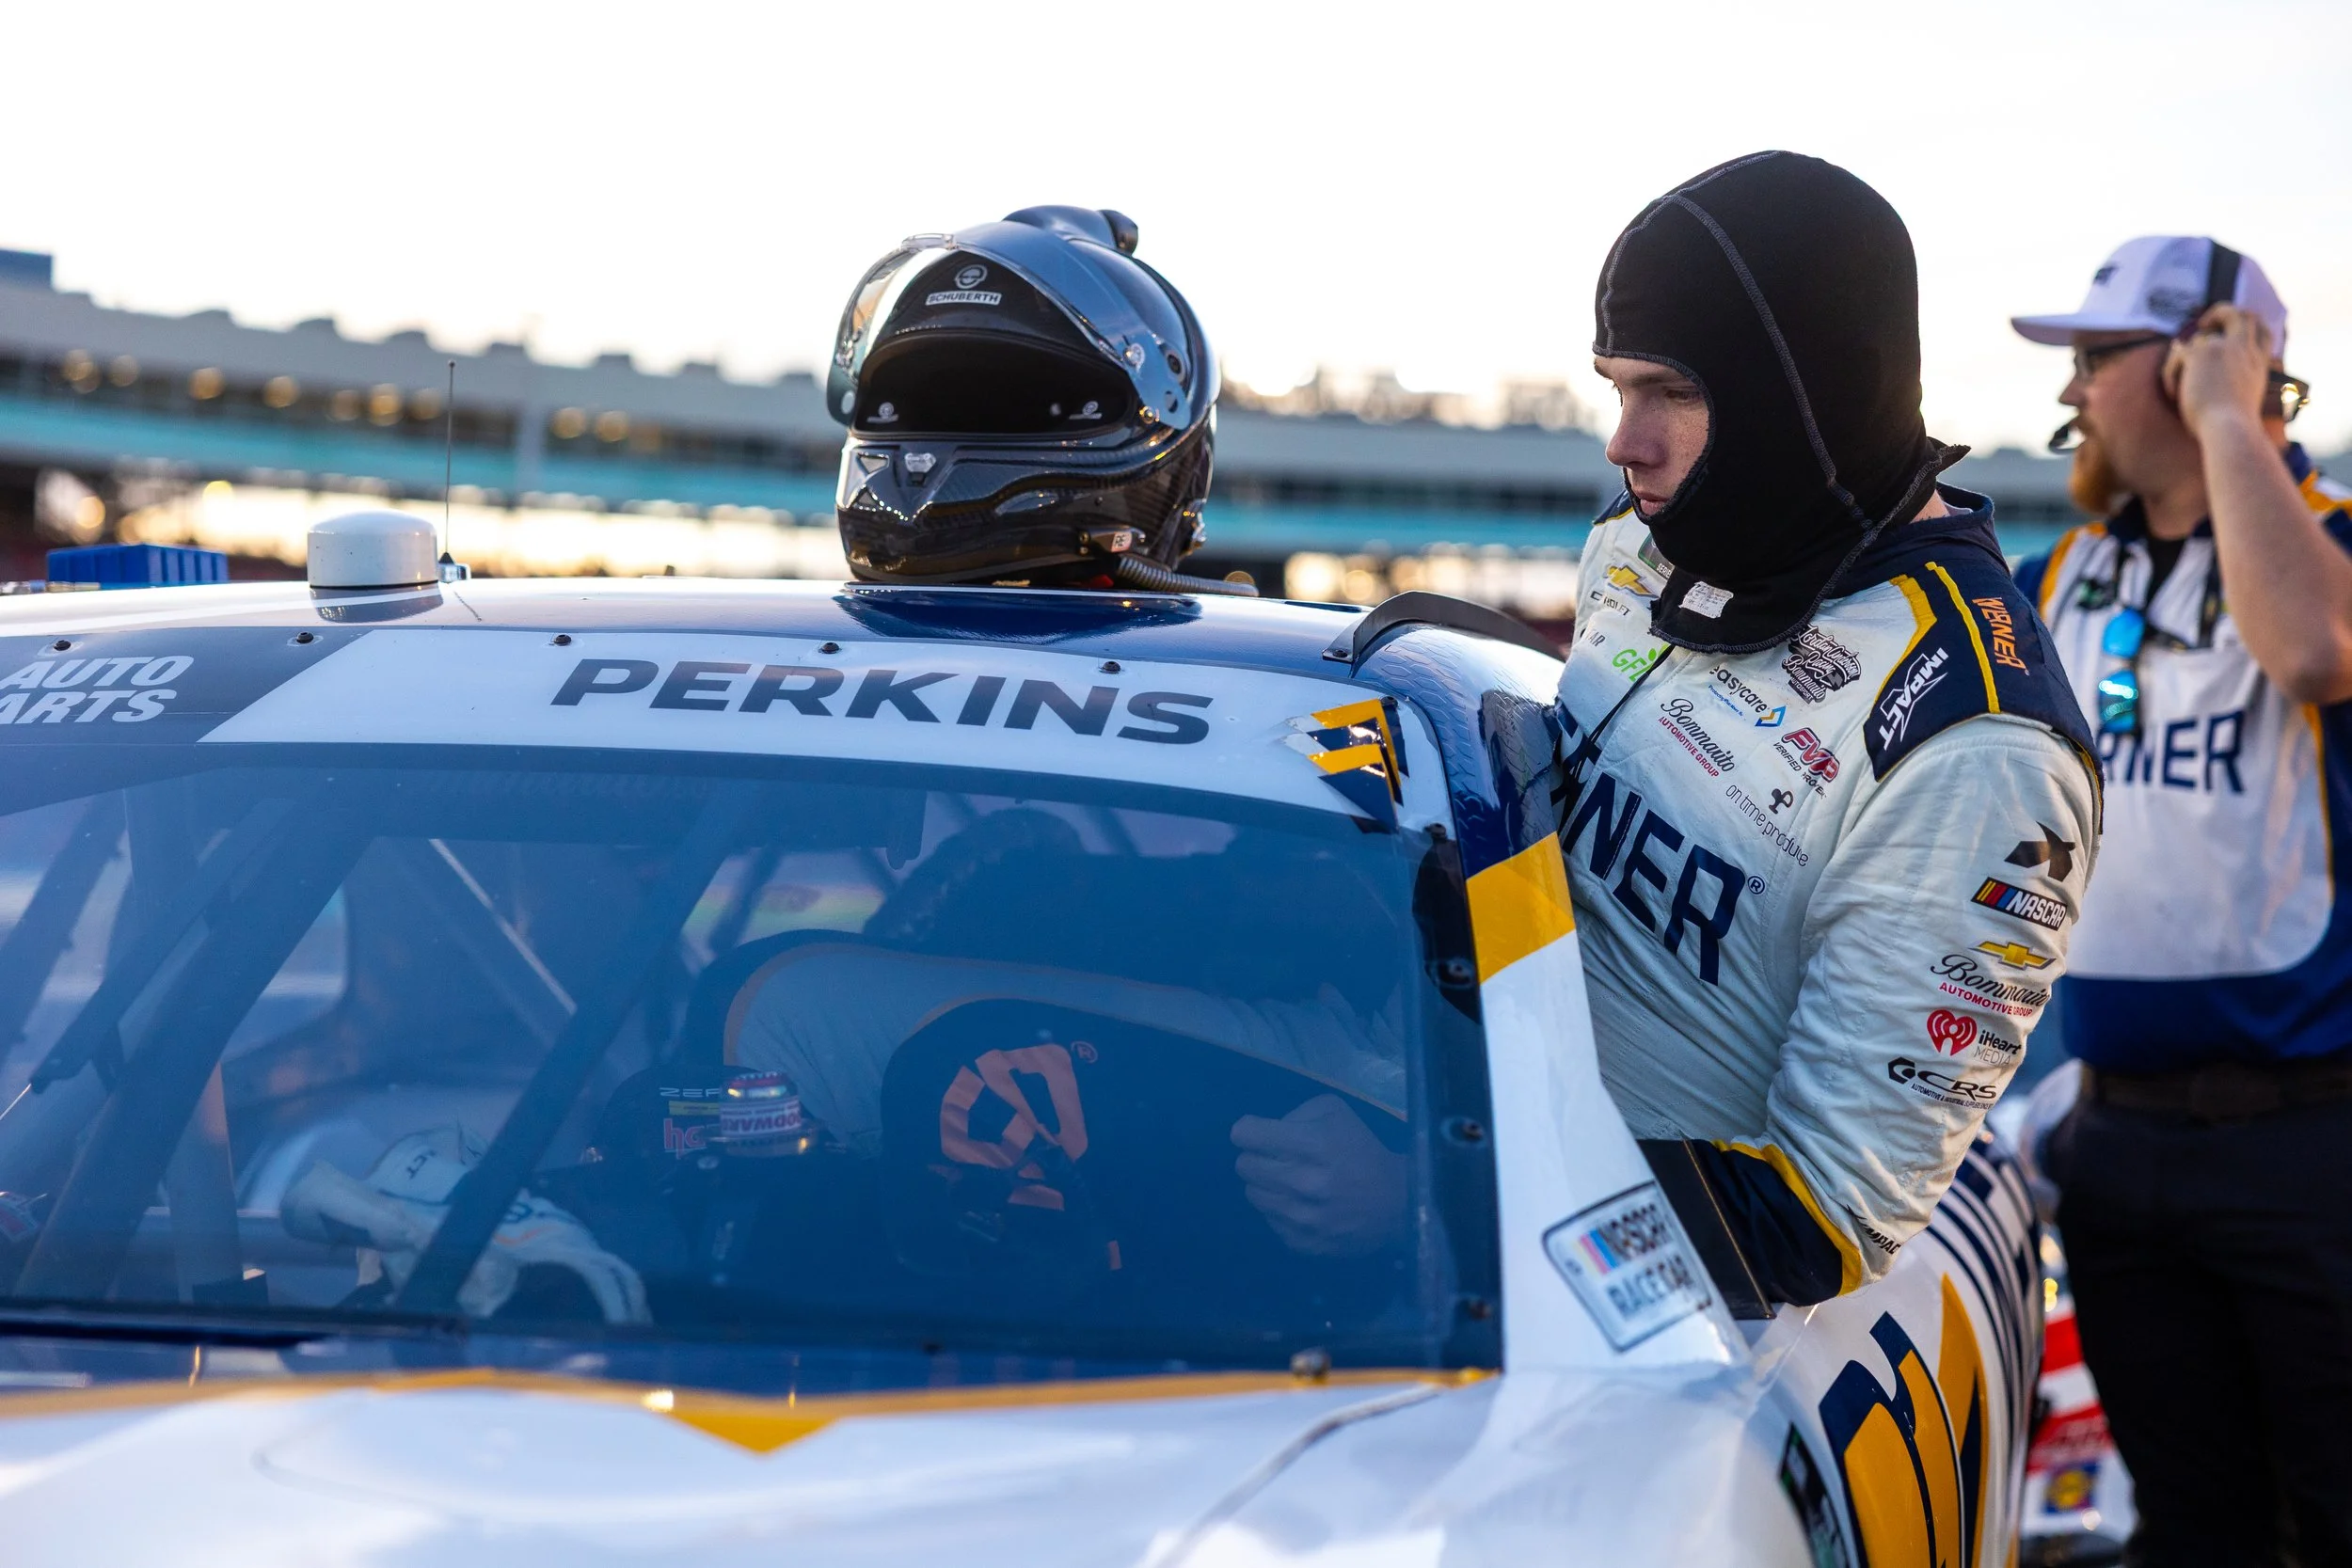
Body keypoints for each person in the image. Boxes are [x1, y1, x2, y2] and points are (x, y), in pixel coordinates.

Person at [1560, 151, 2101, 1308]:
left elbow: (1817, 1218)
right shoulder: (1639, 541)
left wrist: (1439, 1190)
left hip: (1664, 1369)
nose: (1625, 440)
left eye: (1674, 390)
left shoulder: (1975, 735)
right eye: (1615, 388)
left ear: (1804, 387)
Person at [2011, 236, 2352, 1564]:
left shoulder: (2320, 549)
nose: (2077, 392)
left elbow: (2315, 649)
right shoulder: (2067, 573)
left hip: (2307, 1143)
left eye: (2098, 359)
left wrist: (2229, 417)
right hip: (2120, 1142)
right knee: (2190, 1532)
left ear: (2194, 355)